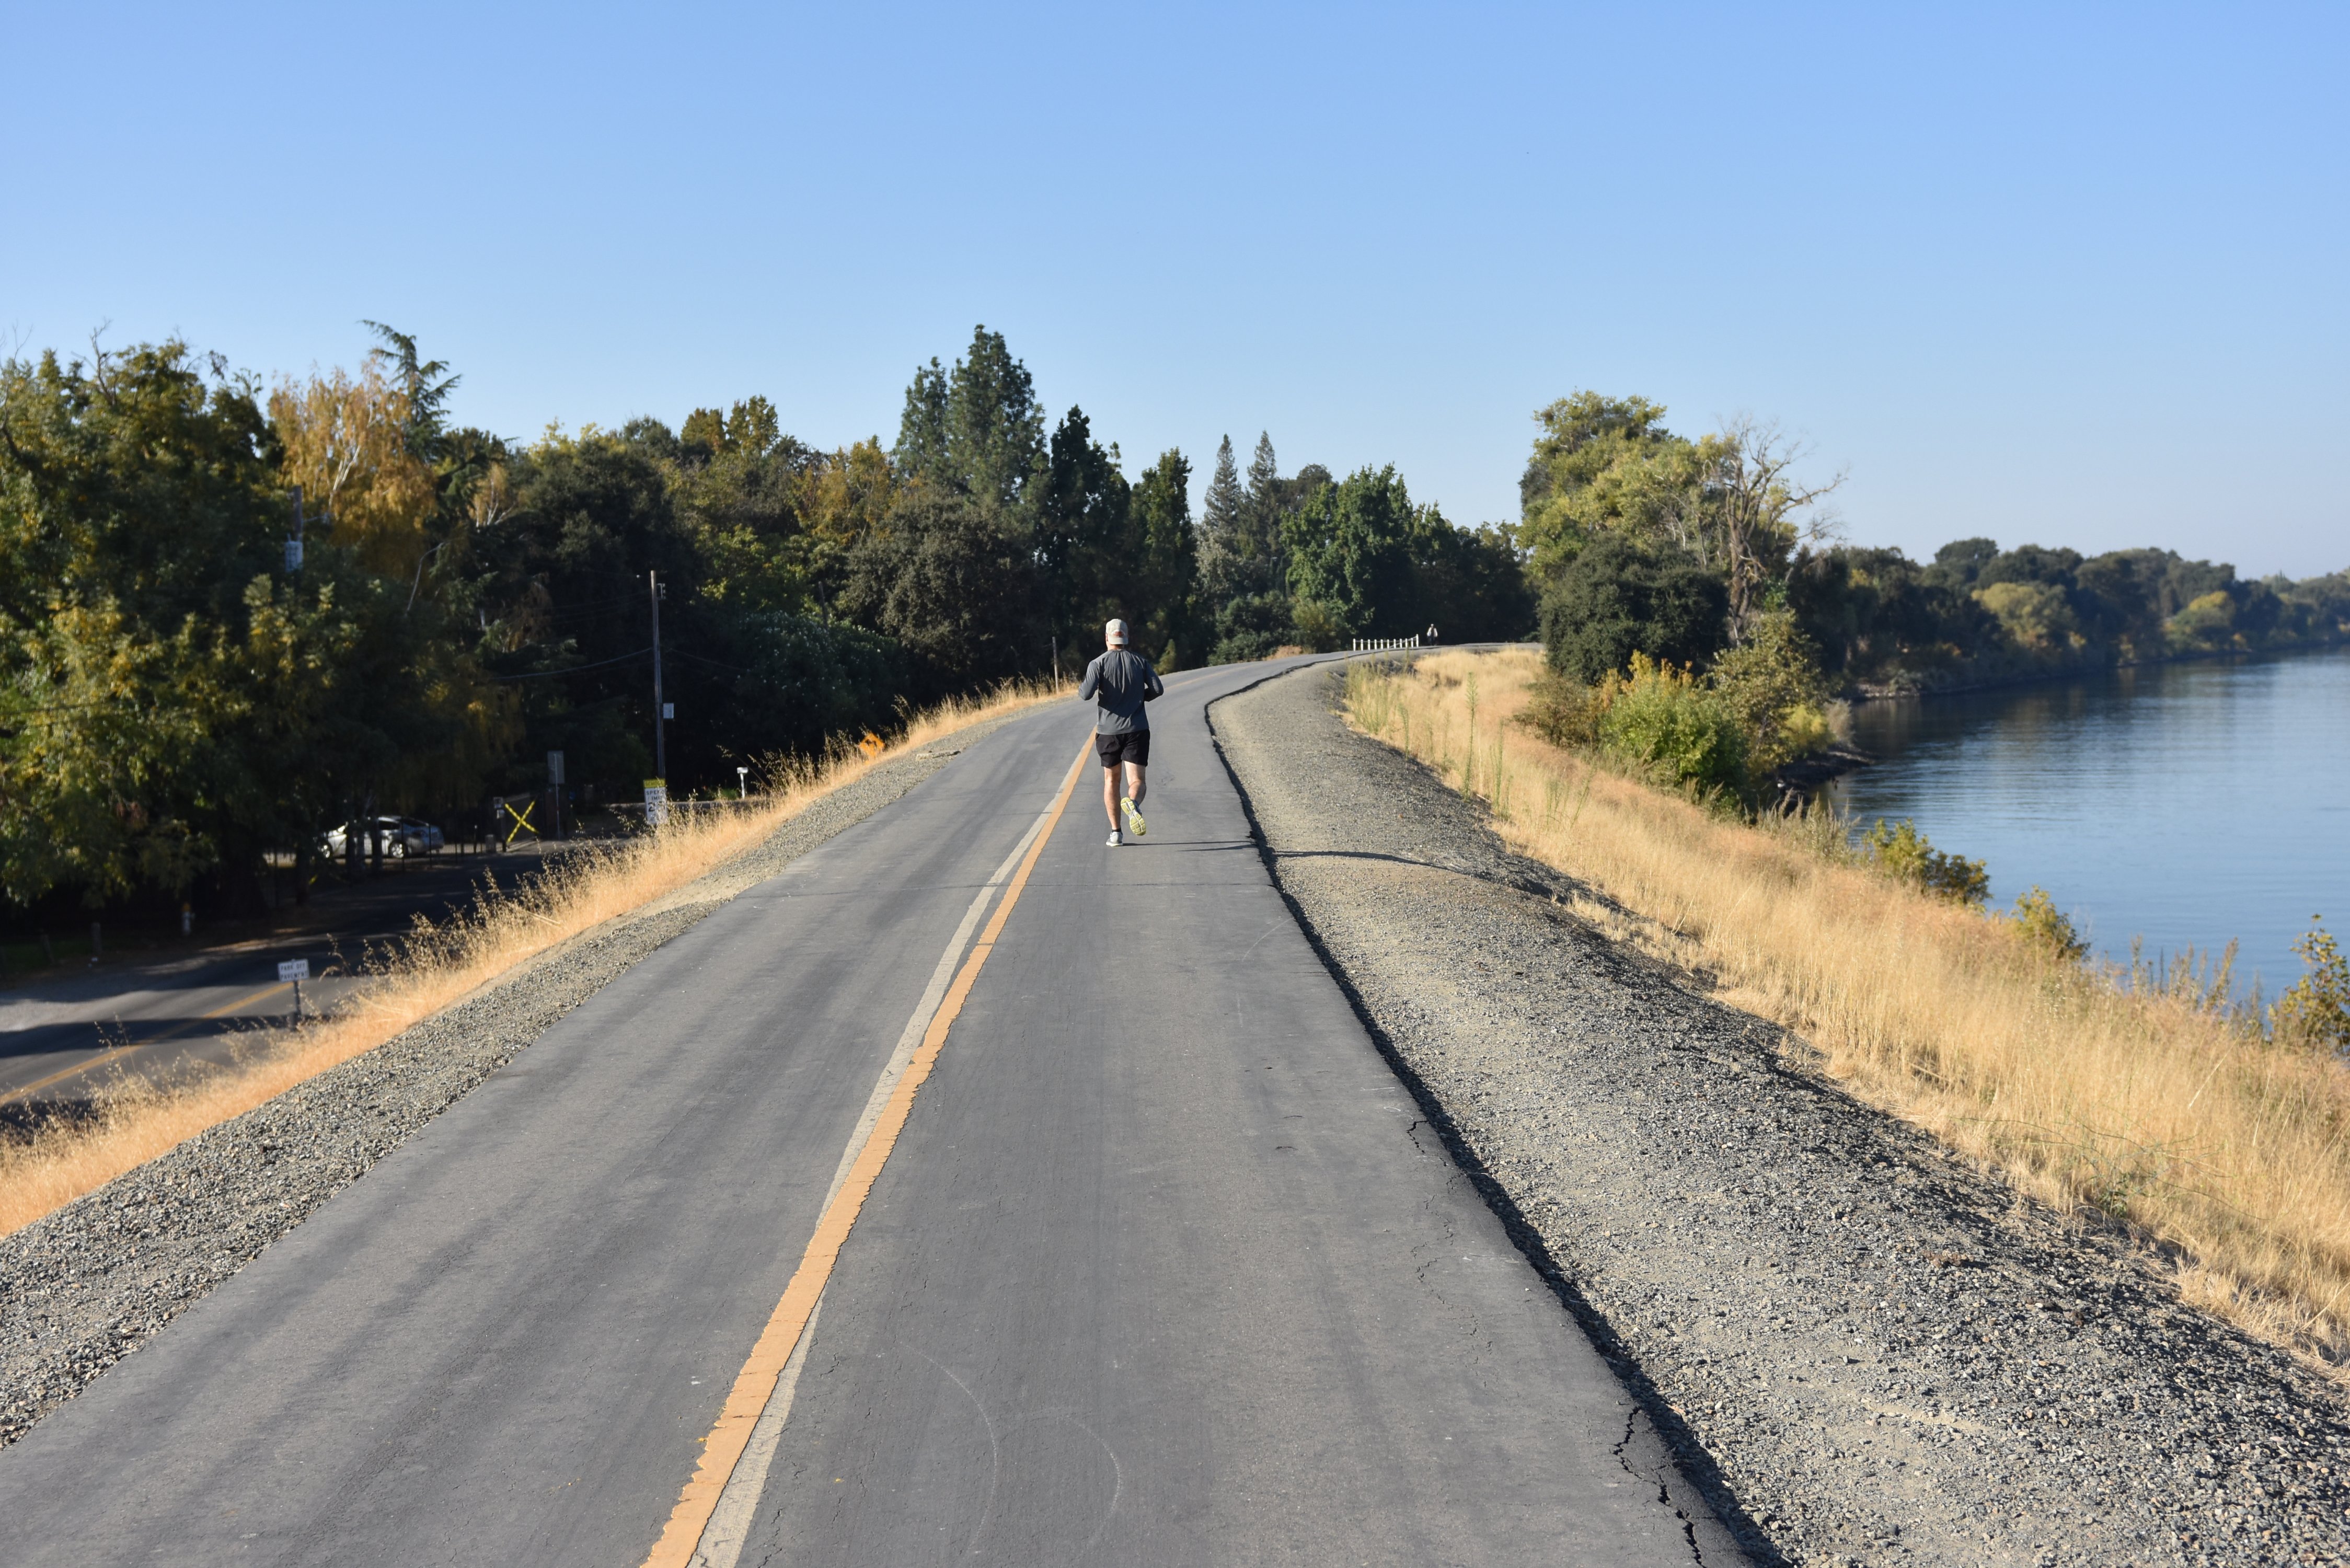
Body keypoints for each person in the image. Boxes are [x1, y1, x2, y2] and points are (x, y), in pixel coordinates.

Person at [1076, 618, 1162, 847]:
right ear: (1125, 637)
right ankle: (1133, 804)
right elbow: (1157, 689)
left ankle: (1116, 833)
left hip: (1108, 732)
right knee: (1137, 780)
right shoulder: (1140, 661)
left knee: (1111, 781)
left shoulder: (1098, 663)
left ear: (1107, 638)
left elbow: (1085, 694)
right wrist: (1139, 697)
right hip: (1137, 729)